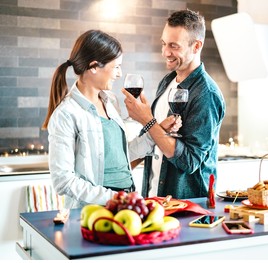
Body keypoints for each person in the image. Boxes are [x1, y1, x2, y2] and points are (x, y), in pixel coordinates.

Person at [42, 29, 180, 208]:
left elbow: (120, 157)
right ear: (93, 67)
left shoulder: (110, 101)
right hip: (94, 210)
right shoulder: (66, 114)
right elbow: (63, 181)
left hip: (127, 201)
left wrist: (157, 130)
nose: (119, 74)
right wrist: (113, 198)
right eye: (115, 67)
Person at [122, 9, 226, 199]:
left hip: (188, 206)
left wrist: (147, 120)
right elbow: (153, 140)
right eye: (163, 44)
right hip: (154, 198)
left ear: (196, 46)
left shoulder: (206, 94)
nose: (165, 52)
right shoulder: (167, 81)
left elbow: (190, 161)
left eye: (173, 46)